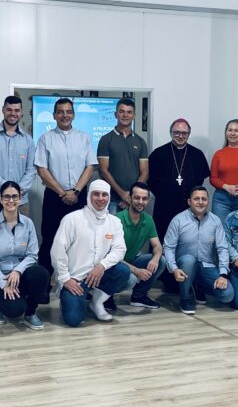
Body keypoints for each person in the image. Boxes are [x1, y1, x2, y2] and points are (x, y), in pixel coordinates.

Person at [50, 180, 131, 327]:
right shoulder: (72, 219)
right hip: (75, 279)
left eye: (104, 195)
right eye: (96, 194)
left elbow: (120, 249)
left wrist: (102, 265)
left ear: (109, 197)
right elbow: (57, 251)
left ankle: (97, 303)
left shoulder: (114, 222)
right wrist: (65, 279)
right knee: (74, 320)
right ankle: (68, 300)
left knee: (123, 271)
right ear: (89, 196)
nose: (100, 198)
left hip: (98, 275)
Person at [34, 98, 95, 284]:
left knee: (81, 241)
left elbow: (90, 166)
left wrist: (76, 191)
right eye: (60, 112)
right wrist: (62, 193)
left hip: (79, 197)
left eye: (68, 111)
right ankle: (44, 287)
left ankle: (79, 284)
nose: (65, 115)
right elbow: (42, 169)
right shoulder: (46, 138)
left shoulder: (83, 137)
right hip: (54, 197)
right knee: (50, 240)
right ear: (54, 115)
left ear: (73, 115)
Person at [0, 181, 49, 330]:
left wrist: (17, 271)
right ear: (1, 199)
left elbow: (32, 255)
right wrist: (3, 283)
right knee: (15, 310)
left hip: (18, 276)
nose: (11, 200)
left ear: (20, 198)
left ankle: (30, 313)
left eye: (14, 196)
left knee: (41, 273)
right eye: (7, 196)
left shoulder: (28, 223)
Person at [163, 186, 235, 314]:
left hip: (206, 266)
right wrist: (174, 268)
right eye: (196, 199)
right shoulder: (178, 220)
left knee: (227, 295)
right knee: (189, 260)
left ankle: (198, 286)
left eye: (204, 199)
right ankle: (185, 297)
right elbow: (168, 247)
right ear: (189, 201)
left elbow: (223, 248)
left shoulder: (215, 221)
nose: (200, 202)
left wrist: (223, 274)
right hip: (184, 266)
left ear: (208, 201)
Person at [147, 118, 210, 241]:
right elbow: (150, 180)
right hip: (164, 206)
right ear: (171, 133)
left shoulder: (197, 154)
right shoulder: (158, 153)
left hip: (189, 207)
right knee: (162, 238)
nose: (180, 136)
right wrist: (164, 194)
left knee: (188, 240)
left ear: (188, 134)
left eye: (184, 133)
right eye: (176, 132)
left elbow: (200, 181)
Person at [0, 95, 36, 219]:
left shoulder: (28, 140)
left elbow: (31, 170)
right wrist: (7, 187)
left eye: (17, 110)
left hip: (20, 201)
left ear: (21, 112)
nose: (13, 113)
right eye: (9, 109)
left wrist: (17, 191)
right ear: (3, 110)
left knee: (21, 232)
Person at [111, 182, 165, 310]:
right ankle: (107, 295)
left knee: (161, 260)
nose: (140, 202)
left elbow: (157, 246)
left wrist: (155, 259)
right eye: (137, 198)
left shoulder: (148, 220)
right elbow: (111, 255)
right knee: (131, 279)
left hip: (131, 260)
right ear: (129, 198)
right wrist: (137, 271)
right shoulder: (116, 220)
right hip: (113, 264)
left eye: (144, 198)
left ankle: (138, 296)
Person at [97, 97, 149, 214]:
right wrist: (122, 194)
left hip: (134, 200)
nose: (125, 115)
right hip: (112, 199)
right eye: (122, 111)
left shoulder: (140, 142)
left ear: (134, 116)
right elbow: (103, 171)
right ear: (115, 114)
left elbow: (145, 172)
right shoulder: (105, 140)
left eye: (129, 112)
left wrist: (131, 195)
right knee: (111, 227)